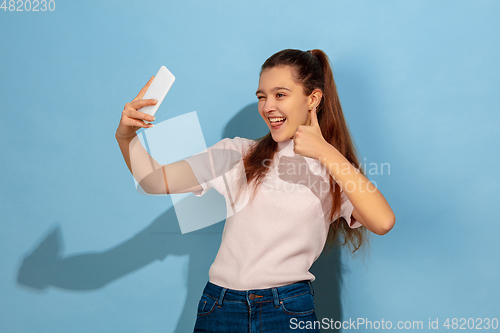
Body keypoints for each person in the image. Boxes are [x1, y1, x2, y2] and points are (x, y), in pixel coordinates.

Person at [115, 49, 396, 332]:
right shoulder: (237, 153)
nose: (268, 107)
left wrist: (325, 151)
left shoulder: (335, 170)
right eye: (262, 96)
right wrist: (125, 136)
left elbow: (383, 221)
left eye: (280, 95)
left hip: (286, 311)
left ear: (313, 98)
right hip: (219, 307)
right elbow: (153, 180)